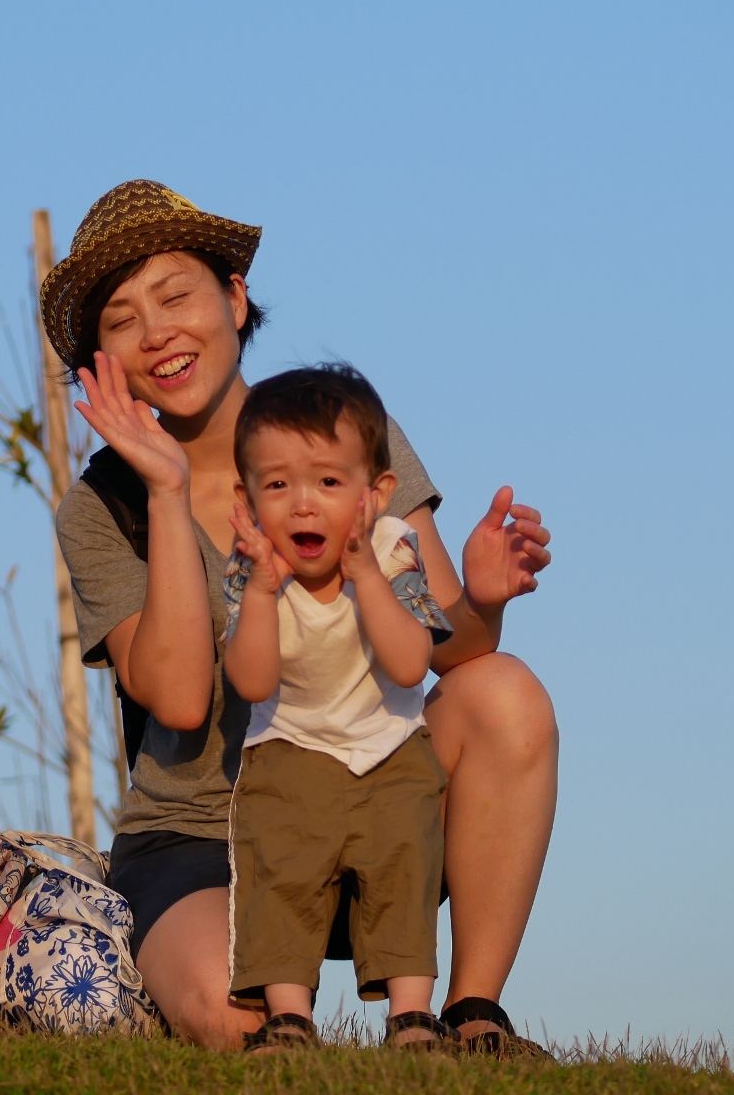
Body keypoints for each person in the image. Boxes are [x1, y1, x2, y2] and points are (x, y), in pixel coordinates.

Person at [48, 179, 558, 1055]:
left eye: (175, 296)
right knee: (234, 1023)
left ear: (235, 299)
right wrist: (168, 492)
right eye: (121, 320)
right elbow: (174, 700)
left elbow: (448, 651)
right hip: (202, 836)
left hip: (374, 791)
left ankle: (470, 1015)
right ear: (100, 362)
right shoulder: (101, 508)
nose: (157, 333)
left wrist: (477, 596)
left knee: (504, 691)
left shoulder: (349, 432)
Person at [222, 364, 457, 1052]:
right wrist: (262, 593)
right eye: (277, 485)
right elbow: (252, 680)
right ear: (246, 499)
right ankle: (289, 1015)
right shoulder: (254, 564)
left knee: (402, 867)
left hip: (390, 749)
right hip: (288, 749)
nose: (302, 505)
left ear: (375, 493)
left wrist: (362, 576)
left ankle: (410, 1015)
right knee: (282, 876)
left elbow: (410, 662)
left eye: (328, 482)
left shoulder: (391, 551)